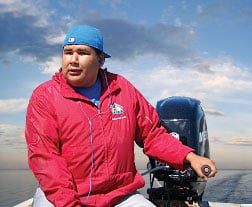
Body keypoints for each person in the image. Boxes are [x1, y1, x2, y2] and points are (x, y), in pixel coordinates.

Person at [25, 25, 218, 207]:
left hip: (118, 195)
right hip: (62, 196)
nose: (73, 60)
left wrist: (190, 157)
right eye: (68, 53)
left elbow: (152, 134)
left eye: (82, 53)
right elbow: (45, 158)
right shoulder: (45, 97)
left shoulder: (122, 89)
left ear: (100, 59)